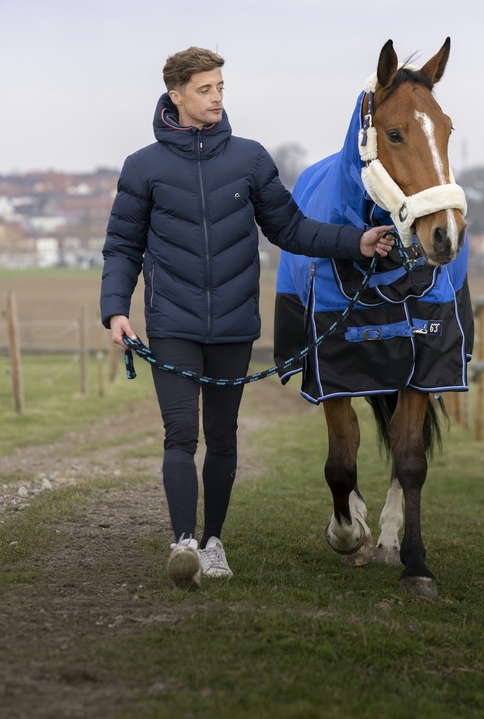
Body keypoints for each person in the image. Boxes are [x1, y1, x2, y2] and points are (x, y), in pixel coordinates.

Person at [100, 46, 393, 590]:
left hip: (234, 324)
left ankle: (213, 543)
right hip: (171, 323)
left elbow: (292, 229)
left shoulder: (250, 159)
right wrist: (115, 309)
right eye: (205, 89)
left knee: (222, 436)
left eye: (220, 87)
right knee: (180, 433)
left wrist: (356, 241)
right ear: (176, 95)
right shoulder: (143, 167)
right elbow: (122, 246)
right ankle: (183, 543)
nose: (216, 97)